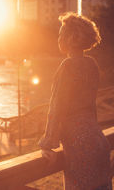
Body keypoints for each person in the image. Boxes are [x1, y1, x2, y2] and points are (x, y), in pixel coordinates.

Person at [38, 12, 112, 190]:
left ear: (71, 37)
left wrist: (48, 144)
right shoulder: (91, 64)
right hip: (99, 140)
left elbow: (57, 107)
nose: (59, 37)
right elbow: (91, 106)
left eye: (61, 32)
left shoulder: (67, 66)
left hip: (80, 146)